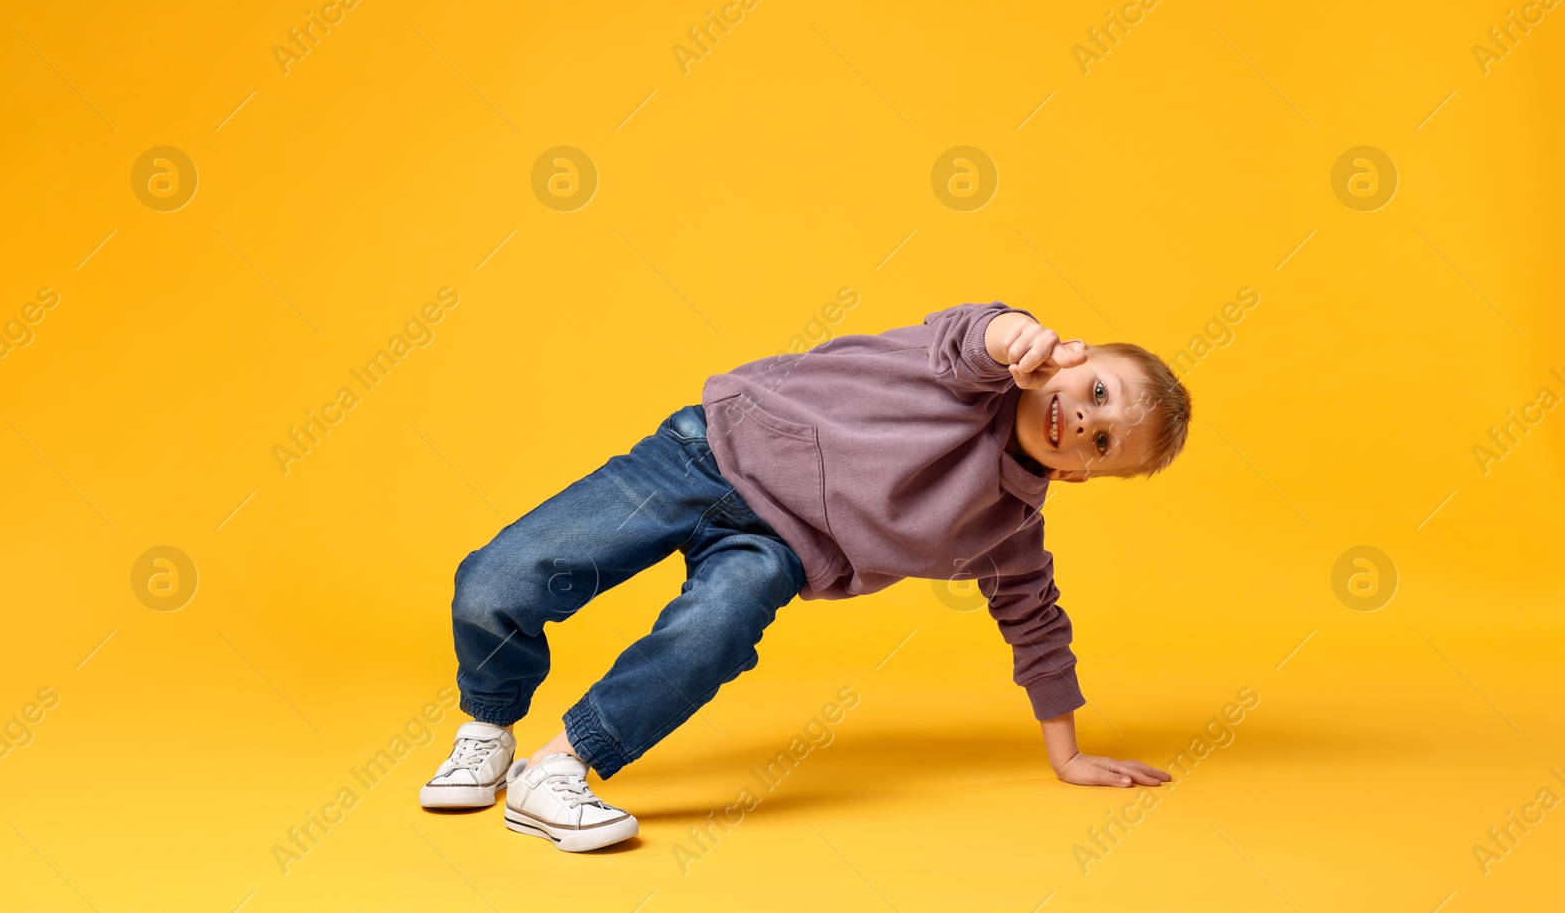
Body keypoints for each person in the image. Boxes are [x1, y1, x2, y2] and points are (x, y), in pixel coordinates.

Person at [417, 301, 1191, 851]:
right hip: (707, 452)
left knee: (715, 630)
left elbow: (1037, 624)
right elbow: (974, 333)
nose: (1087, 422)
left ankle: (556, 768)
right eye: (1097, 393)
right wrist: (1015, 335)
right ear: (1074, 354)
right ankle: (487, 723)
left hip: (777, 547)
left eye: (1102, 443)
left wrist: (1067, 752)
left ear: (1082, 477)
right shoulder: (976, 367)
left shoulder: (1007, 527)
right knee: (503, 574)